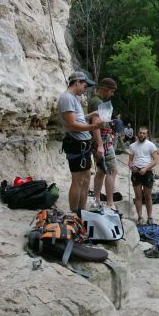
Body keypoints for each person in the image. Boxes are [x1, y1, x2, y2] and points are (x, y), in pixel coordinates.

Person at [57, 71, 102, 213]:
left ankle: (82, 212)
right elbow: (72, 125)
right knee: (78, 180)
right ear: (77, 82)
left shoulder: (73, 98)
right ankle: (74, 213)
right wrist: (94, 127)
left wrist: (92, 115)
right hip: (76, 144)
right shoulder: (67, 98)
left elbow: (79, 119)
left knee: (86, 178)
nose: (85, 88)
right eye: (84, 85)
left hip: (83, 144)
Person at [88, 77, 118, 210]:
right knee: (112, 171)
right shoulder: (97, 102)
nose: (112, 94)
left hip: (102, 142)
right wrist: (100, 145)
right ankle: (110, 203)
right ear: (105, 89)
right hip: (103, 143)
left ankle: (97, 200)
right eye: (111, 91)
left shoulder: (97, 101)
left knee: (101, 171)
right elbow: (95, 125)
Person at [128, 126, 159, 225]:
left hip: (147, 172)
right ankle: (140, 217)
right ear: (137, 133)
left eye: (144, 133)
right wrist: (131, 166)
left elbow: (156, 160)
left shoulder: (151, 145)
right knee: (138, 196)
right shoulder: (132, 146)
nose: (142, 135)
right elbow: (130, 160)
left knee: (148, 196)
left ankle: (150, 217)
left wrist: (145, 169)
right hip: (136, 172)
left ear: (147, 135)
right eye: (140, 133)